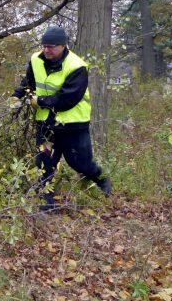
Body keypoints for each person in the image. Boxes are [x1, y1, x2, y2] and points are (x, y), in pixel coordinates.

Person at [11, 26, 111, 211]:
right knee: (44, 163)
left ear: (63, 46)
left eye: (51, 46)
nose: (47, 50)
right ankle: (47, 206)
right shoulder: (35, 59)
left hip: (73, 125)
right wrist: (17, 95)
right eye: (44, 46)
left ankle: (101, 179)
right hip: (46, 124)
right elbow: (29, 83)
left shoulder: (77, 66)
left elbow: (68, 98)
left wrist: (39, 101)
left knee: (80, 163)